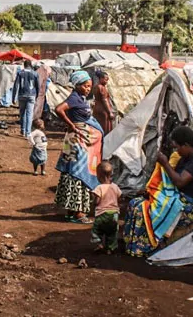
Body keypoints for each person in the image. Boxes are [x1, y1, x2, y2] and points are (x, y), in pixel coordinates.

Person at [123, 126, 193, 257]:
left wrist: (165, 163)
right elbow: (171, 182)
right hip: (176, 198)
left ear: (186, 145)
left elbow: (180, 181)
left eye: (177, 147)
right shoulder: (184, 160)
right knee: (135, 203)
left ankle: (147, 245)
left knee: (143, 209)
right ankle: (133, 243)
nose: (177, 151)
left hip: (189, 205)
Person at [54, 70, 103, 224]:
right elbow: (59, 109)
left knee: (73, 173)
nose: (88, 89)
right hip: (77, 142)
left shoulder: (80, 98)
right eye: (85, 86)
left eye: (89, 86)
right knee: (79, 173)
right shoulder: (74, 98)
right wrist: (71, 125)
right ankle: (78, 213)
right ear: (77, 85)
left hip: (76, 141)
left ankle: (71, 211)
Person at [91, 161, 121, 254]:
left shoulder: (99, 188)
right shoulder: (115, 187)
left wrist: (93, 202)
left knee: (96, 231)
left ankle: (99, 244)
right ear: (111, 174)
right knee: (112, 233)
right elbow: (119, 197)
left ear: (99, 176)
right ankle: (110, 248)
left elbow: (97, 201)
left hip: (102, 214)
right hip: (114, 215)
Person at [13, 60, 40, 137]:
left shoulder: (20, 73)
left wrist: (14, 97)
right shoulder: (35, 73)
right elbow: (38, 86)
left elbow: (16, 86)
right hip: (31, 95)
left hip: (22, 95)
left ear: (24, 65)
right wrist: (37, 96)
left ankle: (23, 130)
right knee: (29, 114)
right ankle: (28, 133)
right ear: (30, 65)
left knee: (22, 113)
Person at [92, 69, 115, 135]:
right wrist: (109, 112)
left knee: (98, 126)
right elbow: (104, 100)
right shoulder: (102, 88)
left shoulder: (95, 86)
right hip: (103, 110)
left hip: (96, 108)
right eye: (105, 79)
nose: (107, 81)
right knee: (105, 128)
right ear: (101, 78)